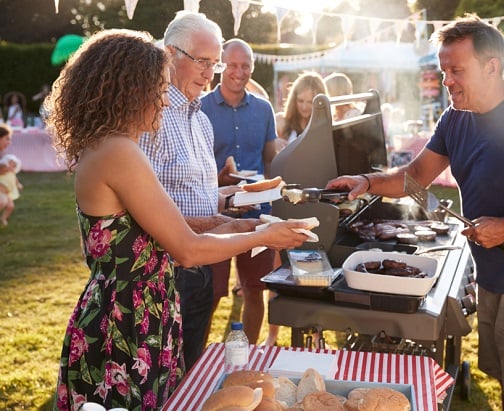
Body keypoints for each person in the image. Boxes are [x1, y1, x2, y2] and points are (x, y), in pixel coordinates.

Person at [326, 14, 504, 411]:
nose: (446, 81)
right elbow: (416, 178)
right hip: (493, 276)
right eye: (443, 71)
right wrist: (366, 182)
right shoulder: (455, 118)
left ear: (492, 67)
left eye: (456, 70)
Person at [44, 29, 311, 411]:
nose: (162, 98)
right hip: (127, 328)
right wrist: (266, 234)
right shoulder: (120, 152)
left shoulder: (109, 146)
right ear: (130, 89)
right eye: (157, 87)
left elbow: (156, 226)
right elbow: (187, 250)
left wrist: (234, 225)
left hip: (132, 318)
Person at [138, 11, 259, 371]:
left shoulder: (202, 119)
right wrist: (220, 222)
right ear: (170, 55)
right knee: (162, 379)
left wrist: (234, 198)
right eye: (203, 62)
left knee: (189, 372)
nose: (210, 73)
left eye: (214, 64)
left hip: (203, 268)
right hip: (163, 276)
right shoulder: (150, 117)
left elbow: (197, 193)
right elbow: (140, 213)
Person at [201, 39, 279, 345]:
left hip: (259, 213)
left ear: (252, 68)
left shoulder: (263, 109)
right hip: (215, 214)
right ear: (221, 66)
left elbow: (271, 160)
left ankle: (247, 358)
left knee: (255, 290)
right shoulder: (201, 107)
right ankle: (194, 360)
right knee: (212, 293)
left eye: (245, 65)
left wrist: (275, 197)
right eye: (232, 64)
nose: (239, 71)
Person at [275, 71, 326, 150]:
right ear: (293, 99)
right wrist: (273, 142)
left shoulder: (326, 126)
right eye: (300, 101)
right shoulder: (281, 121)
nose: (304, 107)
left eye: (310, 102)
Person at [0, 153, 23, 226]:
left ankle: (3, 218)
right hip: (1, 191)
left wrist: (18, 184)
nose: (11, 167)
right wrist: (5, 168)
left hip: (8, 193)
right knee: (1, 203)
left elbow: (15, 180)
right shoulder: (2, 171)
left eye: (14, 166)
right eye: (10, 164)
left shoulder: (12, 173)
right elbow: (2, 169)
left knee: (10, 207)